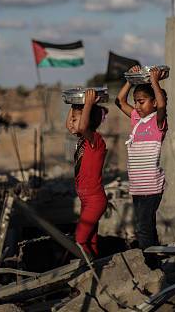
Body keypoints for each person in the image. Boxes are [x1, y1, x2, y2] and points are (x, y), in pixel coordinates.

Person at [116, 66, 167, 268]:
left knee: (143, 228)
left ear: (153, 102)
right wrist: (131, 79)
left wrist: (154, 81)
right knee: (147, 226)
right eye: (136, 101)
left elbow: (162, 105)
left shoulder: (157, 121)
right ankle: (156, 262)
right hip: (137, 186)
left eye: (141, 101)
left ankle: (150, 265)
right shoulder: (137, 119)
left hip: (151, 187)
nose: (136, 106)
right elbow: (119, 101)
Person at [65, 89, 109, 258]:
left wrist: (88, 104)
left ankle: (88, 270)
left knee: (80, 240)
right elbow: (69, 126)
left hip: (94, 200)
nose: (71, 123)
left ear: (87, 120)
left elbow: (82, 126)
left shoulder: (95, 141)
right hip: (86, 200)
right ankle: (97, 267)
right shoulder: (83, 140)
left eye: (75, 119)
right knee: (90, 241)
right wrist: (72, 104)